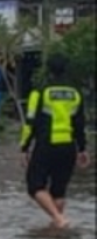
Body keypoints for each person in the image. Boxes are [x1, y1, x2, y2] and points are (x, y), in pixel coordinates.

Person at [20, 54, 89, 229]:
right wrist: (82, 149)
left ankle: (58, 219)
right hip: (68, 147)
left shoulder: (40, 92)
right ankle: (56, 232)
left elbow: (30, 122)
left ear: (48, 70)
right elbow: (80, 123)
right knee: (59, 190)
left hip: (46, 145)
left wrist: (24, 148)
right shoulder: (75, 93)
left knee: (34, 186)